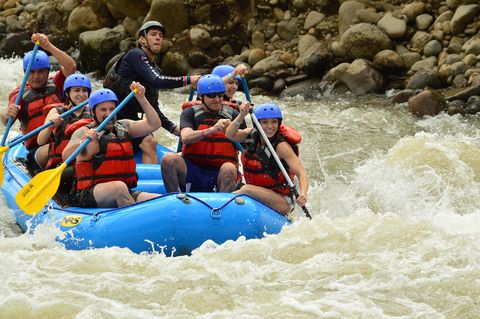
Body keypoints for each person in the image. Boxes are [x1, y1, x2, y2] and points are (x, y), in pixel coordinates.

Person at [103, 20, 201, 164]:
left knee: (149, 141)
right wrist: (188, 79)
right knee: (148, 140)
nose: (158, 38)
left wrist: (174, 129)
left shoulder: (156, 70)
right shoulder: (134, 55)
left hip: (131, 120)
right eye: (153, 34)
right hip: (111, 119)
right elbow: (157, 80)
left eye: (160, 36)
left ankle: (151, 184)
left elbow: (153, 108)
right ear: (142, 40)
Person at [63, 83, 162, 208]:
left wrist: (142, 99)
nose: (108, 113)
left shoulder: (125, 126)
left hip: (123, 191)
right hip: (89, 193)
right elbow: (65, 155)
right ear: (93, 112)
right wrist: (82, 141)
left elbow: (154, 124)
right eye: (103, 110)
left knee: (158, 201)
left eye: (111, 109)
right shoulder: (83, 131)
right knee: (118, 187)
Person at [1, 33, 76, 172]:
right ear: (25, 72)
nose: (36, 76)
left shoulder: (57, 83)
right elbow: (7, 122)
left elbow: (71, 67)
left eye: (41, 71)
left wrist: (48, 46)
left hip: (63, 139)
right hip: (38, 150)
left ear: (48, 72)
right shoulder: (19, 95)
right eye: (32, 72)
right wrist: (6, 113)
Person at [161, 74, 249, 193]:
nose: (217, 99)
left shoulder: (234, 115)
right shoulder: (190, 113)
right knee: (169, 158)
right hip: (193, 169)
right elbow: (186, 137)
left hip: (220, 173)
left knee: (229, 168)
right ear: (201, 96)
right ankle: (174, 199)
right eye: (211, 95)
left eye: (220, 95)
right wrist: (212, 130)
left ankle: (222, 207)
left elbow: (246, 146)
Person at [225, 102, 309, 215]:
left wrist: (303, 194)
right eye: (264, 122)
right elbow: (229, 134)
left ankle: (220, 206)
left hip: (282, 201)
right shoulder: (251, 134)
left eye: (274, 121)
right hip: (258, 193)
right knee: (229, 172)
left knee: (246, 189)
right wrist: (241, 115)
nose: (270, 126)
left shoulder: (281, 146)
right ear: (257, 123)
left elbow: (301, 173)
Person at [38, 73, 93, 169]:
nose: (81, 94)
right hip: (61, 164)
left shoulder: (94, 111)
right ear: (67, 93)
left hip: (85, 162)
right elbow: (40, 141)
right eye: (76, 90)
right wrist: (51, 126)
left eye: (84, 90)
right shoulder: (57, 111)